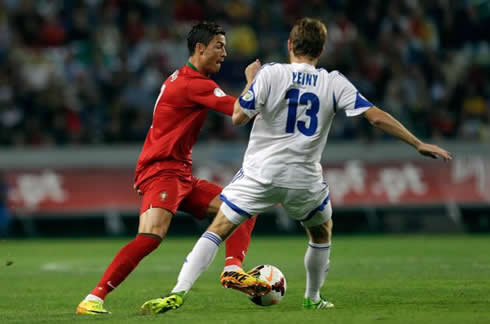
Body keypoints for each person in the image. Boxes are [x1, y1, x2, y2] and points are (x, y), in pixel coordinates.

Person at [140, 17, 452, 314]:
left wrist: (251, 81)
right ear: (322, 49)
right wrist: (418, 143)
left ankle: (178, 292)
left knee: (218, 228)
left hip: (260, 174)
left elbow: (238, 117)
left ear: (290, 44)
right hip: (305, 178)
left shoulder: (271, 73)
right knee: (321, 233)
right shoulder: (333, 82)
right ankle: (312, 299)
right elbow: (376, 117)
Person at [76, 21, 271, 315]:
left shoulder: (181, 78)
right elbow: (239, 112)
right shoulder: (194, 83)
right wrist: (253, 81)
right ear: (199, 48)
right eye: (219, 46)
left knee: (240, 208)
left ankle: (233, 269)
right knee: (150, 236)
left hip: (176, 172)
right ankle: (93, 298)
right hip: (163, 170)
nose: (225, 53)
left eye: (225, 47)